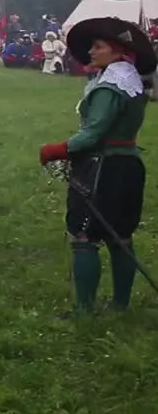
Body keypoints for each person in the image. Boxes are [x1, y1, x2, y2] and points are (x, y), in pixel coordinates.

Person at [39, 17, 155, 314]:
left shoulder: (110, 85)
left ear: (117, 51)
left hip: (103, 167)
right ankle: (120, 305)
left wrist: (59, 149)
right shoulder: (129, 80)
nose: (91, 51)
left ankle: (84, 310)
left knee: (84, 235)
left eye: (98, 46)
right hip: (128, 165)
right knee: (121, 236)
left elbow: (94, 132)